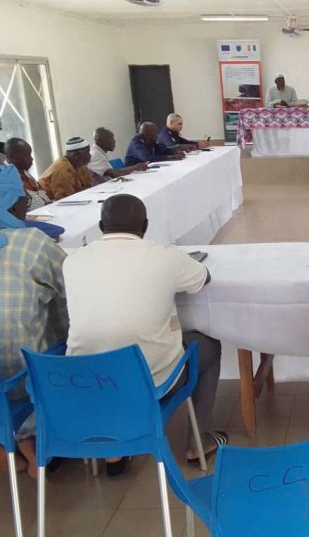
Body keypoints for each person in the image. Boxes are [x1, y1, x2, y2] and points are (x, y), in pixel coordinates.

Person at [63, 194, 226, 476]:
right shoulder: (164, 257)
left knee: (110, 350)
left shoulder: (72, 261)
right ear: (146, 226)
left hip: (85, 383)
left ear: (101, 227)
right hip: (147, 381)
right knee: (209, 346)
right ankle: (199, 442)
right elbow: (203, 278)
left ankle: (114, 448)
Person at [0, 164, 68, 478]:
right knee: (66, 327)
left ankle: (8, 443)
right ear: (13, 202)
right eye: (24, 199)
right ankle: (31, 437)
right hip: (21, 375)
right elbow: (69, 288)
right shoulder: (32, 243)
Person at [4, 138, 52, 210]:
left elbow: (42, 197)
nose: (31, 158)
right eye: (27, 155)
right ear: (13, 157)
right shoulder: (8, 181)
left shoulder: (27, 175)